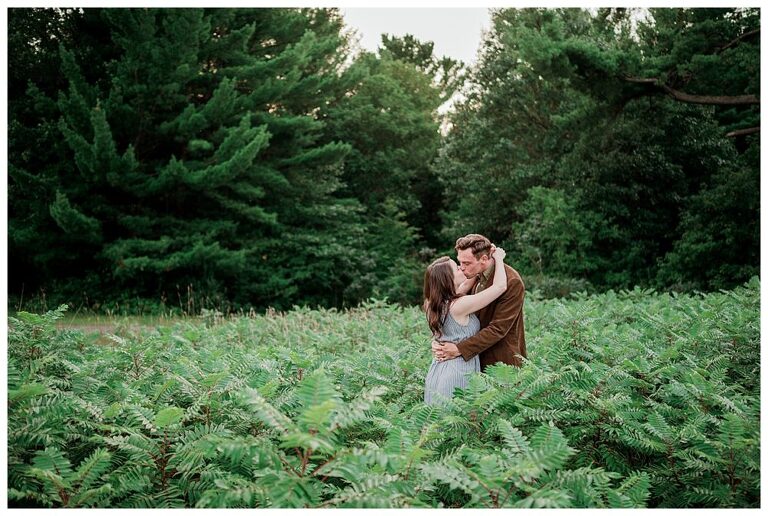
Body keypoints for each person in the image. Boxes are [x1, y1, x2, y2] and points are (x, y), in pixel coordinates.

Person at [423, 246, 507, 405]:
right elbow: (500, 287)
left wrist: (479, 263)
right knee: (454, 424)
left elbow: (466, 283)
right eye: (457, 267)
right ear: (447, 279)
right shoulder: (459, 306)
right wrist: (499, 259)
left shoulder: (431, 304)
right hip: (458, 371)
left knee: (434, 422)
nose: (462, 267)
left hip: (438, 371)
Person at [432, 234, 526, 370]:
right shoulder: (472, 276)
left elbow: (498, 329)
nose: (462, 267)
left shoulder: (512, 282)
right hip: (471, 361)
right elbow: (448, 313)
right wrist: (438, 342)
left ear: (484, 259)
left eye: (467, 263)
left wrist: (459, 349)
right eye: (460, 262)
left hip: (500, 362)